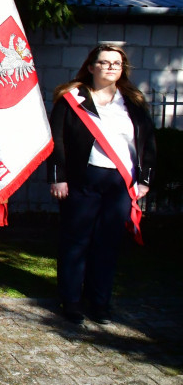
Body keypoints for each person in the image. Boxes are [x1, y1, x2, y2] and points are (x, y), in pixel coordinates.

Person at [49, 44, 156, 325]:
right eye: (105, 62)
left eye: (116, 64)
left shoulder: (133, 102)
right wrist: (58, 177)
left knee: (107, 244)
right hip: (83, 180)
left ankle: (99, 303)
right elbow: (57, 141)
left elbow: (147, 143)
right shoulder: (71, 98)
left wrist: (144, 179)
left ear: (123, 70)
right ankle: (71, 300)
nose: (111, 67)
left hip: (119, 183)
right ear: (91, 66)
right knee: (76, 242)